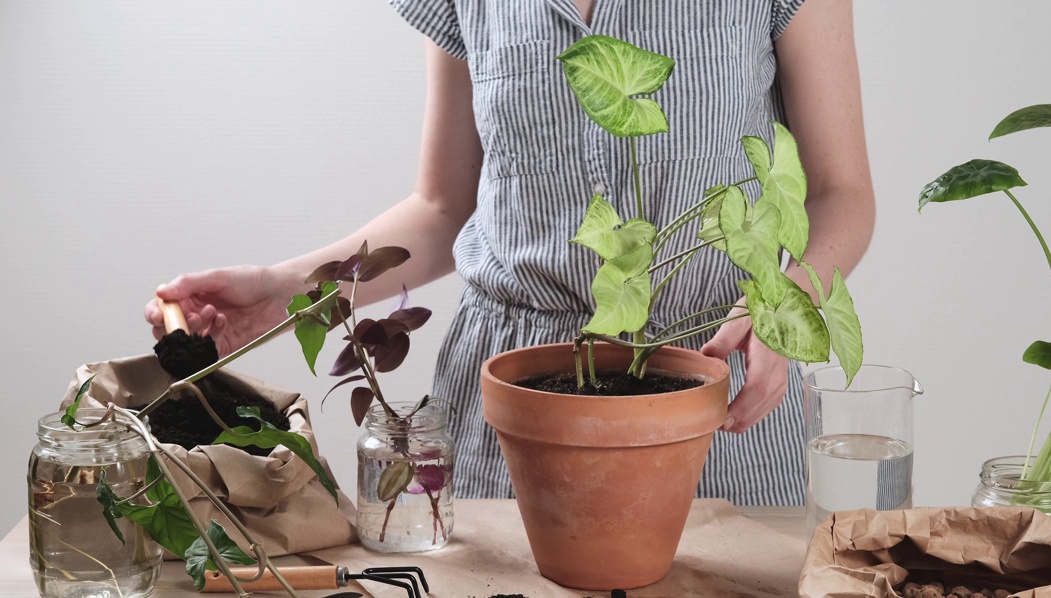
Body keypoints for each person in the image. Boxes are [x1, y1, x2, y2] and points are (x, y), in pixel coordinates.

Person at [144, 0, 875, 504]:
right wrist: (280, 290)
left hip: (714, 393)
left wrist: (786, 302)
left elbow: (843, 190)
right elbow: (441, 209)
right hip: (511, 408)